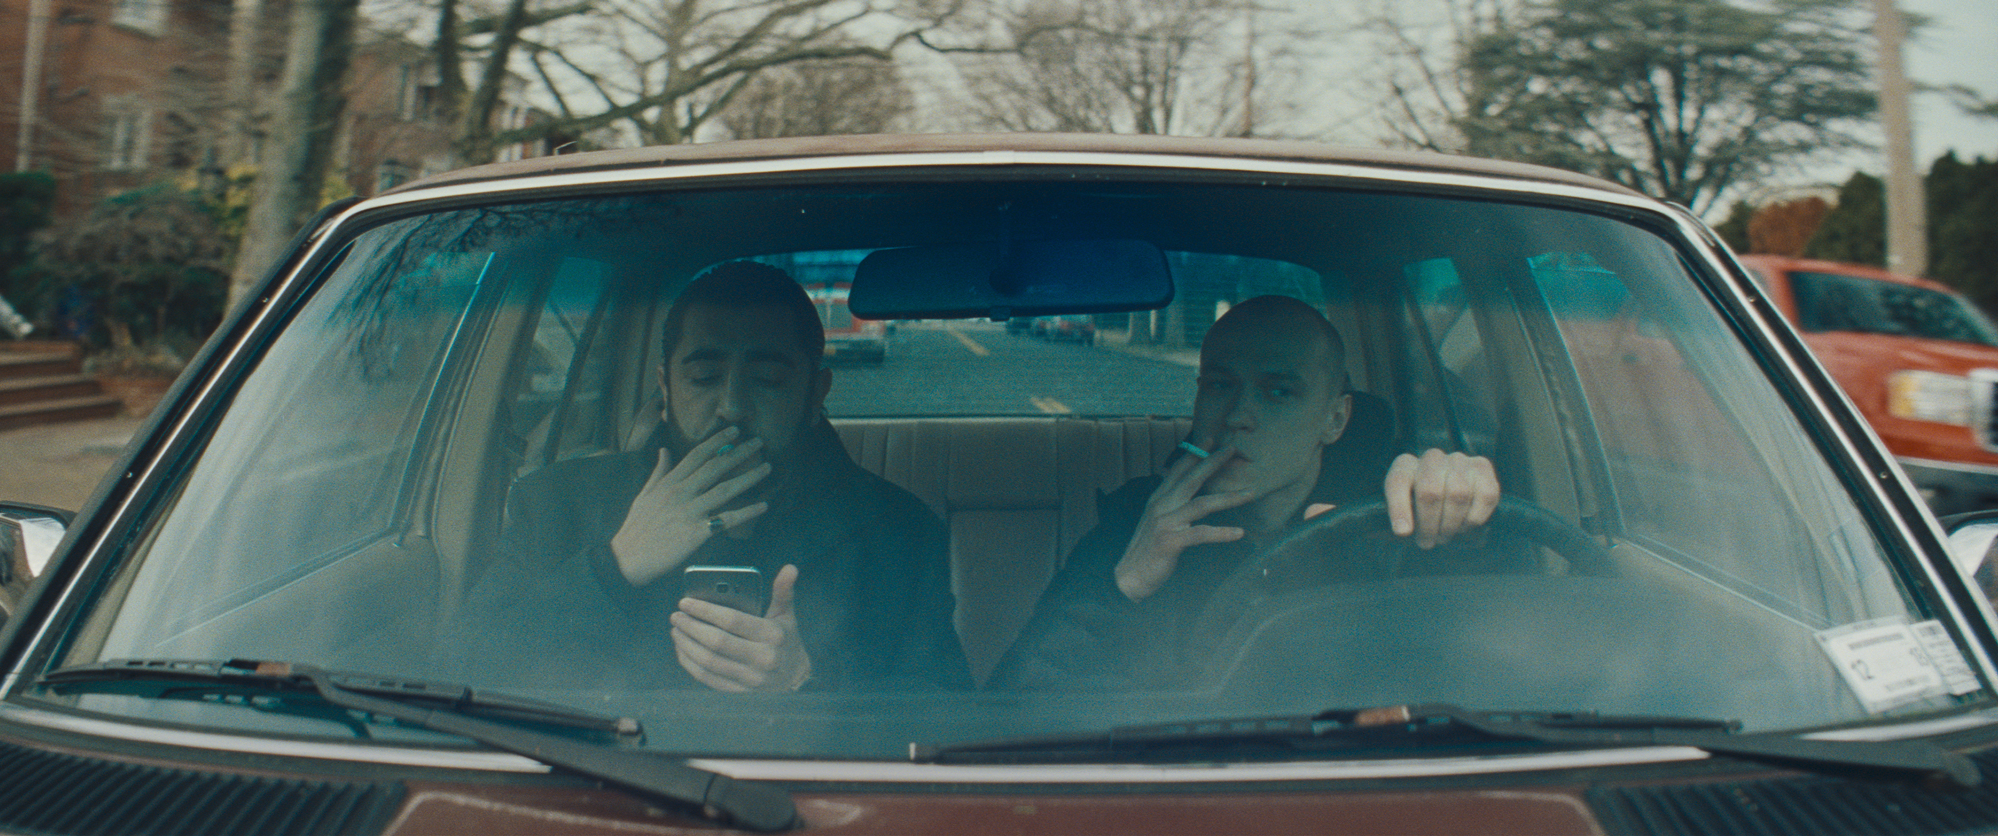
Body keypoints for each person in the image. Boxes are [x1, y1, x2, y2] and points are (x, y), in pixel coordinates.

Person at [456, 261, 971, 692]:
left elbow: (942, 723)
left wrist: (804, 681)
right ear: (665, 387)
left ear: (815, 395)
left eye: (767, 379)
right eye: (703, 377)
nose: (732, 407)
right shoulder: (555, 502)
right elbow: (460, 668)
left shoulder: (901, 534)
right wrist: (614, 567)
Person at [990, 294, 1501, 690]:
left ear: (1335, 419)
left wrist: (1461, 521)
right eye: (1219, 384)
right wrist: (1123, 583)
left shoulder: (1391, 522)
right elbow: (1009, 708)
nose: (1237, 416)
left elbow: (1489, 674)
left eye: (1279, 391)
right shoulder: (1138, 519)